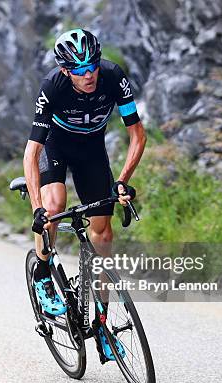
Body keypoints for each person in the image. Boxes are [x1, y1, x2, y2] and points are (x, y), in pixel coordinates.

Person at [23, 29, 146, 359]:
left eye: (91, 66)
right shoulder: (53, 86)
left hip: (92, 150)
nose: (88, 74)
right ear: (65, 70)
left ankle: (103, 325)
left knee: (102, 236)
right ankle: (42, 275)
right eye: (79, 70)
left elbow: (137, 135)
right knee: (54, 205)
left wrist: (121, 180)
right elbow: (31, 153)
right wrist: (36, 209)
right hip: (56, 147)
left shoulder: (112, 76)